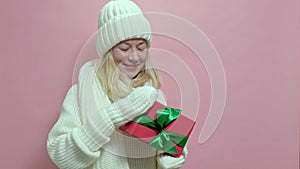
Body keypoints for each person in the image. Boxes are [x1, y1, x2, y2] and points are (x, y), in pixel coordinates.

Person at [47, 0, 188, 168]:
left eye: (141, 48)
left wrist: (172, 155)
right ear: (109, 51)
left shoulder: (152, 95)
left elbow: (166, 156)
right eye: (125, 48)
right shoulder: (79, 95)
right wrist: (113, 116)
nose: (135, 57)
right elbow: (60, 155)